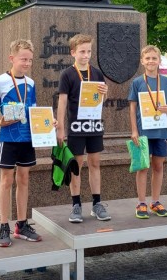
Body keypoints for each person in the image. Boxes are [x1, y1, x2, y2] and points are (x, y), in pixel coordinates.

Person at [0, 39, 41, 247]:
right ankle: (3, 226)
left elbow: (34, 110)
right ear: (12, 58)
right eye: (23, 59)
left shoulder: (31, 83)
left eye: (30, 60)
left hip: (27, 137)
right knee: (7, 180)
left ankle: (22, 224)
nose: (27, 63)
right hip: (8, 138)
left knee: (24, 179)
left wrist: (46, 122)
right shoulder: (0, 82)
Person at [56, 33, 110, 223]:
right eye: (82, 52)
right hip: (76, 127)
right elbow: (62, 103)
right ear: (73, 53)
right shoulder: (67, 74)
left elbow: (100, 100)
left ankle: (96, 203)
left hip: (94, 125)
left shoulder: (96, 73)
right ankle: (76, 204)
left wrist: (105, 93)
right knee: (76, 166)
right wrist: (60, 128)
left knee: (95, 163)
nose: (86, 55)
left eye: (88, 51)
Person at [128, 45, 167, 219]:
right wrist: (134, 130)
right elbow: (132, 108)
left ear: (159, 60)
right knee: (143, 166)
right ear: (142, 61)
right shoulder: (138, 82)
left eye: (154, 58)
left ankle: (155, 201)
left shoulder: (166, 81)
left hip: (160, 130)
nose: (151, 61)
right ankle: (141, 203)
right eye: (147, 58)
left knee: (158, 166)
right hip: (143, 131)